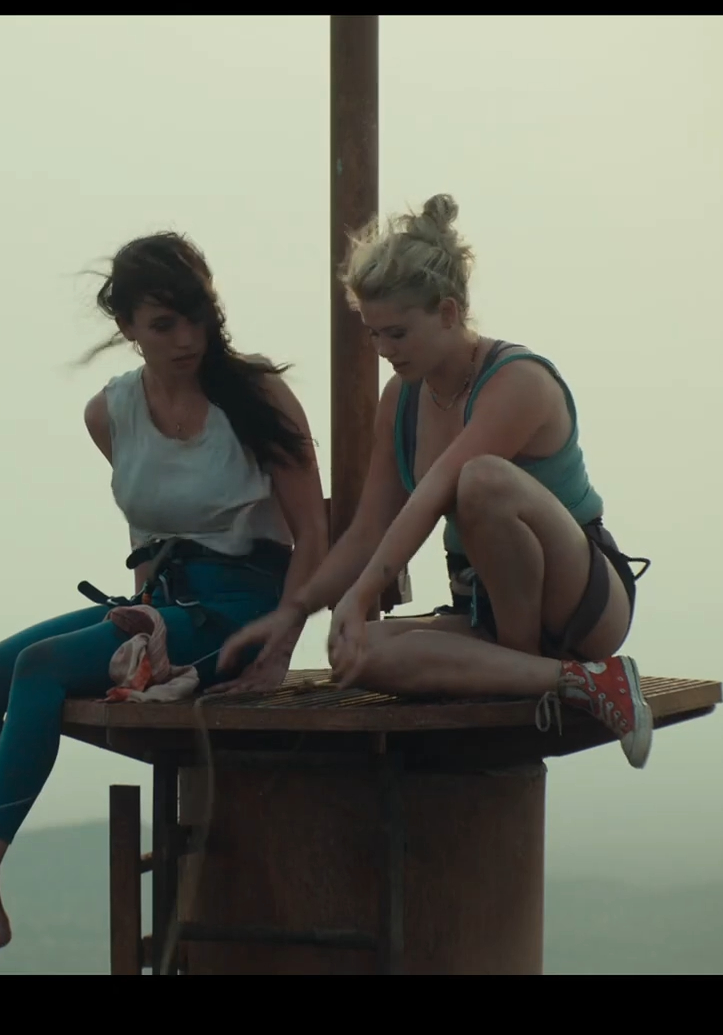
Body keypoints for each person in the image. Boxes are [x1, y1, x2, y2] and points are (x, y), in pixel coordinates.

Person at [0, 231, 329, 976]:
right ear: (127, 327)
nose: (187, 339)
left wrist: (280, 649)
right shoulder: (110, 412)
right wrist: (145, 619)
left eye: (198, 316)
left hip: (243, 609)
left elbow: (313, 534)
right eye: (164, 324)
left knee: (42, 668)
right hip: (163, 603)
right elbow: (154, 531)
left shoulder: (256, 396)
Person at [216, 194, 655, 768]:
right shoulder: (400, 399)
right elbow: (370, 529)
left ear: (448, 313)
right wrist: (295, 612)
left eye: (397, 333)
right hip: (482, 607)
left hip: (576, 598)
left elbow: (438, 490)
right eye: (373, 334)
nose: (383, 350)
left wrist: (362, 594)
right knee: (358, 655)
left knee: (481, 481)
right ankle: (575, 680)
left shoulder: (517, 379)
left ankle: (526, 667)